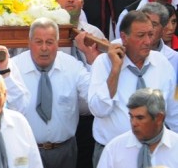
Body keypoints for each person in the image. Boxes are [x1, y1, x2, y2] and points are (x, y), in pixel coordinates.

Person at [88, 10, 178, 165]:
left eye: (150, 34)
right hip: (114, 153)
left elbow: (174, 110)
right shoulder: (104, 64)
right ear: (124, 37)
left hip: (157, 151)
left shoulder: (162, 62)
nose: (148, 41)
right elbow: (99, 110)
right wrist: (116, 70)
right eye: (141, 35)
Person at [10, 18, 90, 168]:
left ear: (58, 44)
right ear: (29, 43)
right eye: (39, 42)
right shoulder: (13, 68)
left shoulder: (72, 66)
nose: (44, 48)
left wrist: (94, 61)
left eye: (49, 42)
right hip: (26, 152)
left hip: (65, 152)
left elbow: (94, 97)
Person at [97, 88, 178, 168]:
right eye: (131, 116)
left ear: (159, 118)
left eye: (140, 118)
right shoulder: (113, 149)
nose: (133, 123)